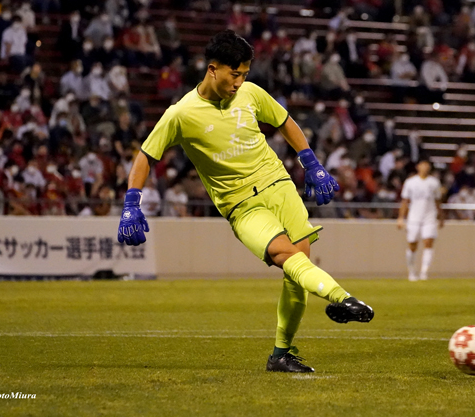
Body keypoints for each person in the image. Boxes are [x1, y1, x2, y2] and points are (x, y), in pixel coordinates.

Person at [117, 30, 374, 373]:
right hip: (240, 204)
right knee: (287, 256)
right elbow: (146, 155)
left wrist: (311, 164)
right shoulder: (181, 114)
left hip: (278, 184)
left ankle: (281, 355)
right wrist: (132, 203)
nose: (240, 82)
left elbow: (284, 121)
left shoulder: (251, 93)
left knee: (298, 267)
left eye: (244, 75)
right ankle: (343, 298)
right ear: (212, 69)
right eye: (234, 74)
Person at [397, 160, 444, 281]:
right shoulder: (410, 182)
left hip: (429, 217)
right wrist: (401, 217)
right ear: (418, 167)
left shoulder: (434, 182)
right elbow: (405, 201)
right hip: (414, 218)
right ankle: (412, 271)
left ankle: (424, 272)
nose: (424, 167)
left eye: (427, 165)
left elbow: (438, 201)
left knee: (428, 242)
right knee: (412, 244)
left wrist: (441, 216)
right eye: (422, 165)